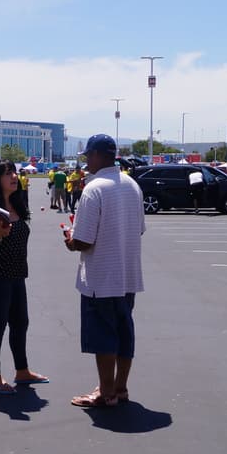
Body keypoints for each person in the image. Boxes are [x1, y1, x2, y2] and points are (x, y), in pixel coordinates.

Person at [63, 134, 145, 408]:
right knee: (124, 334)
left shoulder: (94, 188)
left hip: (101, 277)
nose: (86, 160)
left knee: (104, 339)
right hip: (128, 275)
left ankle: (105, 393)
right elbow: (140, 229)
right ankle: (120, 388)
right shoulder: (132, 185)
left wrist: (70, 241)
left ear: (98, 155)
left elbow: (84, 240)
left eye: (88, 155)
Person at [0, 161, 47, 395]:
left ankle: (21, 370)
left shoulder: (16, 203)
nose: (14, 176)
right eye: (8, 174)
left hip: (15, 274)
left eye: (14, 172)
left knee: (20, 322)